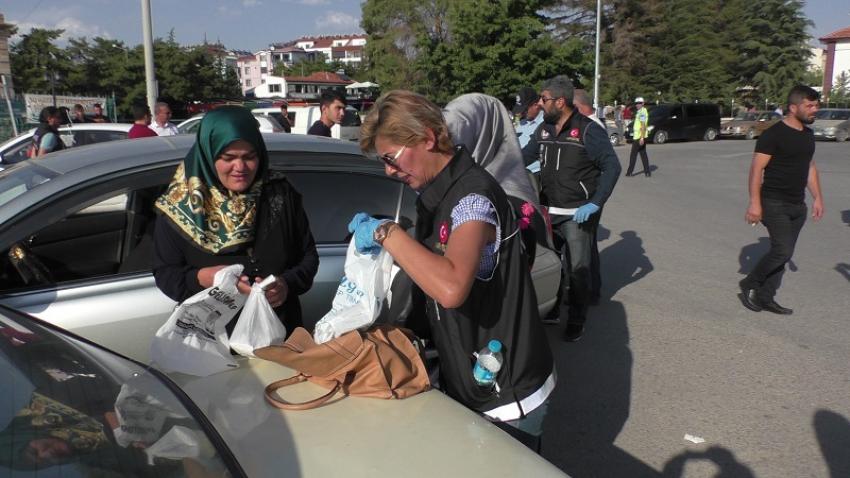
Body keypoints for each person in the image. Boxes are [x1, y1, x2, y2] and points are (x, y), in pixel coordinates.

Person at [351, 90, 555, 446]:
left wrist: (388, 233)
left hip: (506, 394)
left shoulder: (472, 199)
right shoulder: (438, 195)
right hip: (472, 375)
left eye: (391, 158)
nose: (388, 170)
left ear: (428, 137)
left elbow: (451, 287)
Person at [152, 106, 319, 332]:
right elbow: (166, 274)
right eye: (228, 158)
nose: (239, 168)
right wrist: (202, 278)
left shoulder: (279, 194)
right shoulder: (178, 205)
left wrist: (286, 285)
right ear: (208, 155)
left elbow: (308, 257)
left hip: (280, 338)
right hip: (212, 345)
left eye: (250, 157)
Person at [523, 75, 621, 341]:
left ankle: (577, 319)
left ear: (560, 101)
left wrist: (595, 202)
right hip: (547, 213)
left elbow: (612, 167)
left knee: (578, 270)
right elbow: (524, 157)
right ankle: (553, 308)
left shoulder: (589, 130)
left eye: (544, 99)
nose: (541, 104)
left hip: (577, 214)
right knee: (552, 266)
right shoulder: (543, 128)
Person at [739, 85, 824, 315]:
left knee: (783, 255)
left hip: (798, 205)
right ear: (793, 107)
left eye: (816, 105)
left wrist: (817, 198)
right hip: (773, 202)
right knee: (782, 251)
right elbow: (757, 170)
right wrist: (754, 203)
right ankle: (750, 284)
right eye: (809, 106)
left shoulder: (807, 135)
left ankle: (766, 297)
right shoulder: (773, 135)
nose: (814, 110)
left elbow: (809, 166)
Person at [443, 92, 552, 263]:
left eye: (457, 132)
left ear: (483, 133)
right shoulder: (457, 182)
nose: (448, 145)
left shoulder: (506, 200)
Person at [571, 88, 607, 304]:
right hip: (589, 194)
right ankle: (590, 290)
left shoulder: (594, 128)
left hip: (591, 196)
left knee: (587, 246)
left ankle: (592, 291)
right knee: (588, 245)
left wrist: (595, 200)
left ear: (578, 107)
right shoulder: (589, 125)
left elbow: (606, 167)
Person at [627, 96, 651, 177]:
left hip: (639, 137)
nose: (637, 105)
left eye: (639, 103)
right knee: (643, 154)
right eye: (636, 103)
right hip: (640, 136)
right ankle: (647, 172)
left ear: (643, 103)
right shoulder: (640, 111)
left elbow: (643, 125)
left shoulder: (642, 112)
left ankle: (629, 172)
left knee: (633, 155)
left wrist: (641, 138)